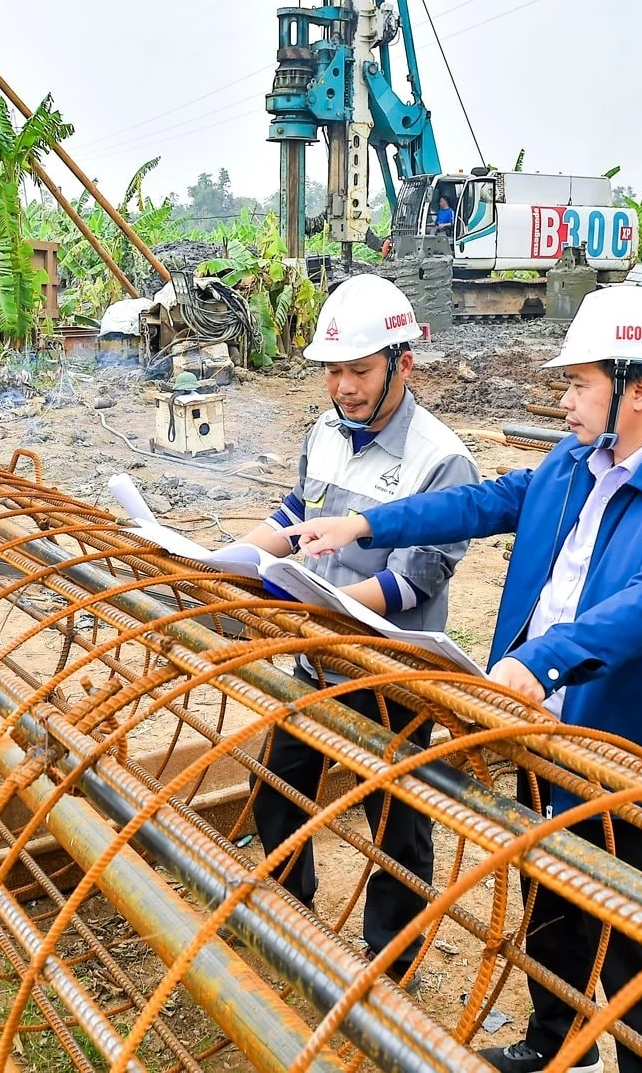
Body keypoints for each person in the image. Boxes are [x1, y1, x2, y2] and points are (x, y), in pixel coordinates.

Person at [283, 284, 642, 1073]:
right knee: (550, 898)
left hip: (628, 747)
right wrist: (363, 524)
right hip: (539, 726)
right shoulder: (573, 463)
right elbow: (479, 503)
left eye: (579, 384)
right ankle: (555, 1043)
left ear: (637, 388)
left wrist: (540, 659)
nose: (565, 400)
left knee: (641, 934)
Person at [237, 274, 480, 982]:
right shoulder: (326, 432)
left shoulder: (441, 457)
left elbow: (416, 579)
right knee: (279, 788)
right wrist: (231, 559)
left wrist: (326, 610)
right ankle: (288, 921)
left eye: (359, 370)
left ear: (403, 364)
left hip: (389, 673)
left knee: (395, 821)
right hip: (317, 658)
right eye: (332, 371)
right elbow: (295, 515)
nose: (343, 386)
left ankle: (390, 964)